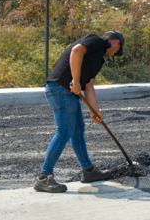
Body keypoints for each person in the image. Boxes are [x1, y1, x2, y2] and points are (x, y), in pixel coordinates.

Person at [34, 30, 125, 193]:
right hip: (60, 89)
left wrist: (95, 110)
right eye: (117, 51)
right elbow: (76, 50)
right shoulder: (96, 41)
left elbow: (88, 85)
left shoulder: (98, 60)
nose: (113, 55)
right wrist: (75, 80)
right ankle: (44, 177)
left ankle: (89, 171)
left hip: (66, 92)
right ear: (116, 42)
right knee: (64, 132)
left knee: (77, 131)